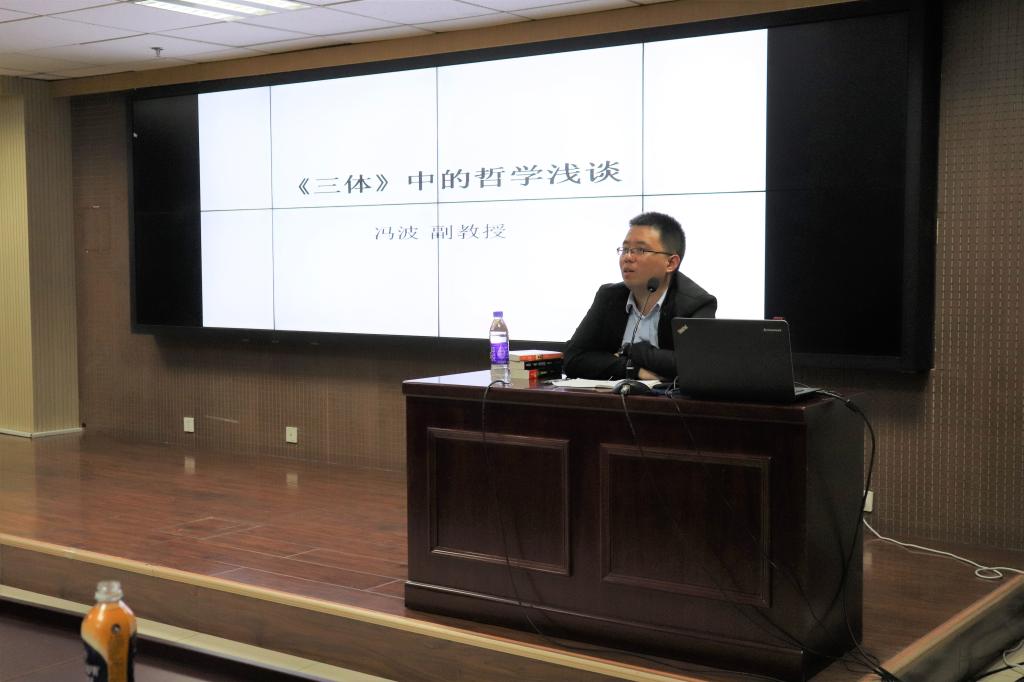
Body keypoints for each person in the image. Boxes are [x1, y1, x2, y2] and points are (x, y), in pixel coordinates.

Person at [563, 212, 717, 380]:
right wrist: (633, 370)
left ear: (670, 263)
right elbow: (573, 358)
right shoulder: (609, 297)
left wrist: (630, 350)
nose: (627, 257)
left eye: (640, 250)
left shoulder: (695, 304)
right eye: (625, 249)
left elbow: (695, 364)